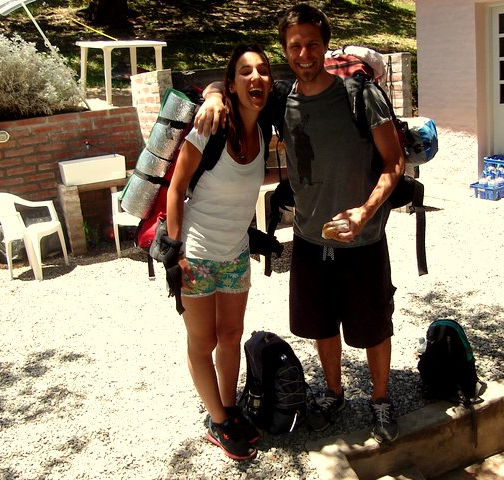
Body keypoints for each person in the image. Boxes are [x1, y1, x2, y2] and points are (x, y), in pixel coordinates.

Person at [195, 4, 405, 443]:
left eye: (312, 44)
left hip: (364, 238)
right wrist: (213, 95)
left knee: (373, 326)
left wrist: (365, 211)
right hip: (310, 237)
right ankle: (333, 393)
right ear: (285, 50)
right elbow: (232, 83)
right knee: (322, 325)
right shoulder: (281, 99)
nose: (304, 53)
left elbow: (394, 161)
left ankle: (381, 399)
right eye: (295, 46)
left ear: (325, 45)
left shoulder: (360, 94)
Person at [166, 43, 283, 460]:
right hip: (195, 254)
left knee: (231, 335)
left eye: (263, 70)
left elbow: (248, 177)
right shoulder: (210, 126)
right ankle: (216, 421)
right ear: (231, 84)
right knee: (203, 341)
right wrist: (175, 252)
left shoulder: (264, 129)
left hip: (235, 253)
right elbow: (177, 189)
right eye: (245, 72)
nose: (256, 78)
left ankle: (229, 409)